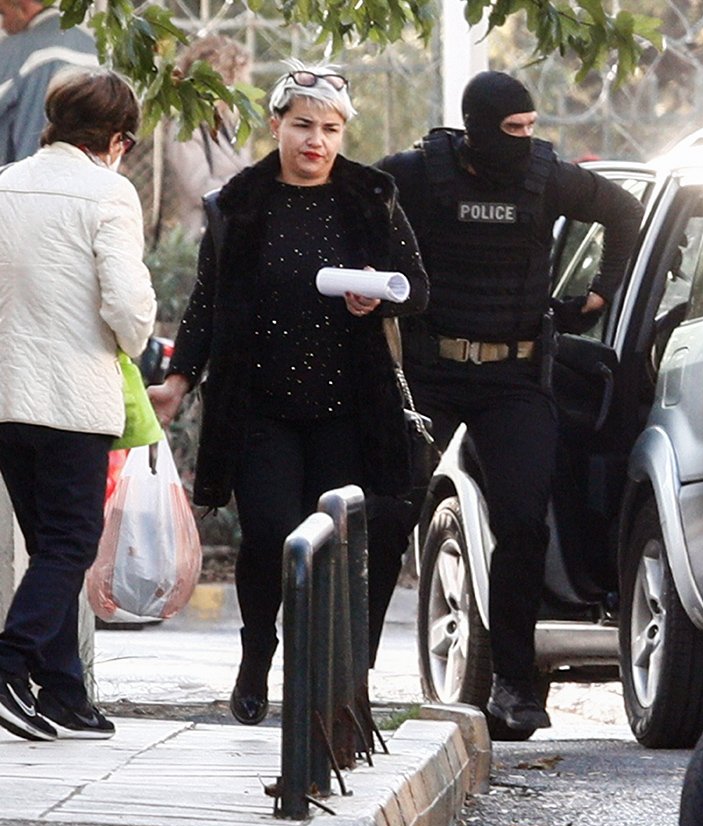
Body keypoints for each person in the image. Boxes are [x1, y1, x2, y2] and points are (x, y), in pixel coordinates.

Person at [145, 61, 429, 726]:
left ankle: (333, 680)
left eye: (330, 129)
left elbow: (417, 287)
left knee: (334, 546)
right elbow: (207, 302)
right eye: (303, 125)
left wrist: (379, 295)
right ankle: (257, 655)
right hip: (260, 405)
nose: (315, 141)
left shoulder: (372, 196)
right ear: (276, 125)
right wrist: (179, 380)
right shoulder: (238, 203)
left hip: (348, 409)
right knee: (270, 532)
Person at [376, 70, 642, 733]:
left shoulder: (546, 178)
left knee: (524, 524)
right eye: (512, 129)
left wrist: (600, 292)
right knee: (390, 510)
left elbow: (623, 212)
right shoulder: (417, 174)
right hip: (431, 373)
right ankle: (349, 678)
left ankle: (516, 688)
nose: (524, 139)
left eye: (530, 127)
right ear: (476, 129)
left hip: (515, 378)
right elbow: (353, 209)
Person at [0, 68, 155, 741]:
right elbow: (127, 304)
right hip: (72, 400)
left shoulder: (5, 184)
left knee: (48, 546)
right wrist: (139, 338)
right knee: (71, 541)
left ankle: (64, 693)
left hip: (7, 396)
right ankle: (9, 664)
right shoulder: (109, 193)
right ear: (117, 138)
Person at [158, 34, 253, 234]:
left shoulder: (228, 123)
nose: (246, 84)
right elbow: (200, 189)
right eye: (241, 78)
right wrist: (252, 185)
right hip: (204, 235)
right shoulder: (186, 128)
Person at [0, 0, 98, 163]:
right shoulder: (93, 49)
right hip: (86, 168)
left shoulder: (19, 49)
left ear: (23, 6)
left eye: (3, 13)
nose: (3, 25)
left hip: (26, 169)